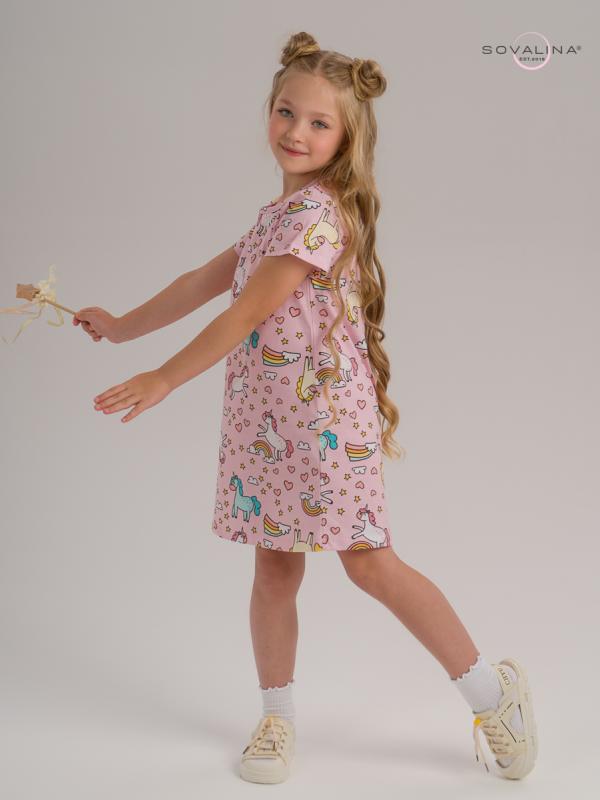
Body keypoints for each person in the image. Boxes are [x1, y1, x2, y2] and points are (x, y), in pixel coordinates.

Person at [74, 31, 538, 786]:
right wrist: (124, 326)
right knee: (273, 571)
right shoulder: (275, 213)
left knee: (371, 565)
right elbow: (203, 281)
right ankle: (277, 719)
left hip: (325, 424)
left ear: (347, 136)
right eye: (286, 111)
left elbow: (246, 311)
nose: (296, 131)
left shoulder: (318, 216)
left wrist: (162, 378)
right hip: (267, 425)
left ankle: (494, 694)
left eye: (319, 122)